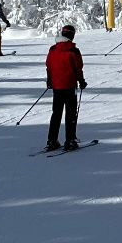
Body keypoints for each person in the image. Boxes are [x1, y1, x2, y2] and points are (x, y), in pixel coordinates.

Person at [44, 24, 87, 152]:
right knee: (71, 114)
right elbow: (78, 69)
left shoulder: (53, 49)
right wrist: (82, 81)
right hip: (70, 86)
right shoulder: (73, 51)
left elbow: (49, 66)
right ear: (72, 35)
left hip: (57, 87)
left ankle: (52, 140)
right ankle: (70, 140)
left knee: (56, 114)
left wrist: (49, 81)